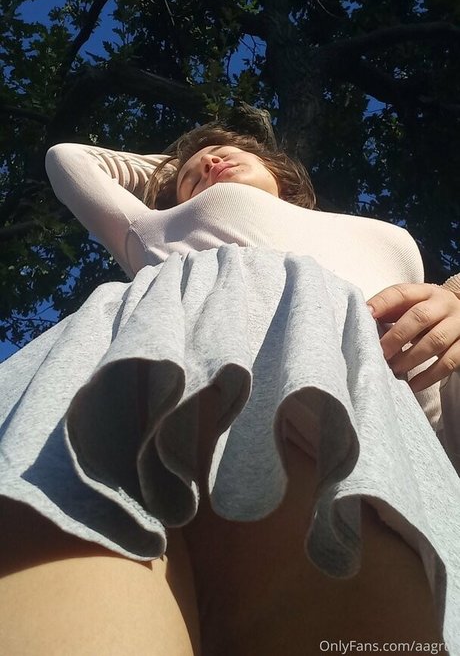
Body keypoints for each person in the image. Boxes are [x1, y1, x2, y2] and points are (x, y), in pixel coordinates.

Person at [1, 120, 460, 656]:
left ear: (283, 172)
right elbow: (70, 160)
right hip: (119, 387)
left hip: (330, 406)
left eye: (226, 152)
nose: (209, 161)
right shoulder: (149, 225)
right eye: (193, 169)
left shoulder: (388, 240)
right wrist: (172, 174)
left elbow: (421, 378)